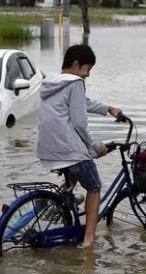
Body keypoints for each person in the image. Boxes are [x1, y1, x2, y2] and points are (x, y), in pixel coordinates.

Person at [36, 44, 122, 248]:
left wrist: (108, 109)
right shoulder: (75, 83)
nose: (88, 75)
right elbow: (79, 122)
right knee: (95, 187)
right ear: (76, 65)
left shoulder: (52, 82)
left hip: (48, 150)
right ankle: (89, 241)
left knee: (72, 179)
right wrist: (93, 146)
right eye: (88, 69)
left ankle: (63, 202)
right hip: (67, 149)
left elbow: (82, 103)